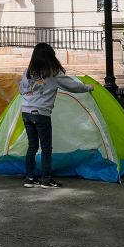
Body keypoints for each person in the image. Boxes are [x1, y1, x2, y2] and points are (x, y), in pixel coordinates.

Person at [18, 43, 92, 189]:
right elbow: (73, 86)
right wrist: (88, 87)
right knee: (46, 148)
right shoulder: (53, 73)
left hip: (26, 112)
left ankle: (30, 178)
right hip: (41, 113)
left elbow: (21, 90)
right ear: (50, 56)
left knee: (32, 146)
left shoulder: (28, 72)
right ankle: (46, 180)